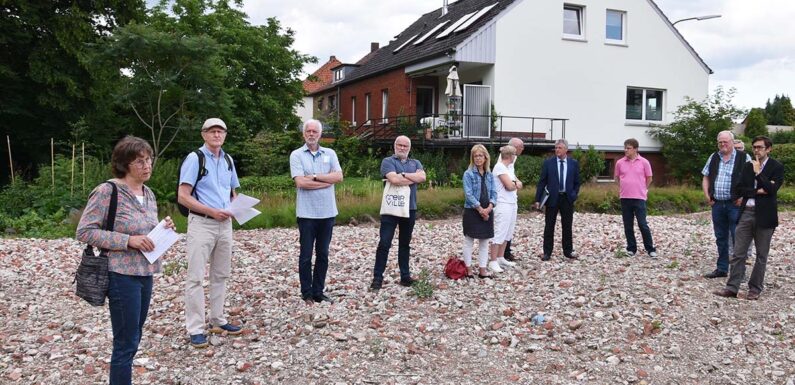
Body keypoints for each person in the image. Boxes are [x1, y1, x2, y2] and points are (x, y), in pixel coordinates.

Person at [77, 136, 175, 385]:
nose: (147, 165)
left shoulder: (148, 193)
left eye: (149, 159)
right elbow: (85, 231)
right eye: (139, 161)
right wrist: (128, 241)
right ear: (124, 164)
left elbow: (145, 230)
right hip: (120, 274)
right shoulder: (107, 191)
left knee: (134, 337)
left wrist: (163, 229)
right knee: (126, 342)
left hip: (146, 272)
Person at [177, 118, 242, 348]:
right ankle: (195, 328)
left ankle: (218, 319)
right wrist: (211, 211)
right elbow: (183, 196)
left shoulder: (228, 160)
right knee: (195, 276)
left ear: (225, 135)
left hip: (225, 224)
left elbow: (231, 191)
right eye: (212, 131)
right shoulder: (195, 158)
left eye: (220, 131)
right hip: (202, 223)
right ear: (203, 134)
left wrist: (236, 208)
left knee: (221, 274)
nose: (217, 135)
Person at [713, 136, 784, 300]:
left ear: (768, 149)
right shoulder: (747, 166)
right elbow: (739, 190)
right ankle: (732, 288)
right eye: (754, 147)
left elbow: (772, 189)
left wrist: (758, 173)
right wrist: (758, 191)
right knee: (738, 252)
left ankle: (755, 288)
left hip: (765, 215)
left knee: (761, 255)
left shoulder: (776, 167)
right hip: (746, 212)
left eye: (760, 147)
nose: (756, 150)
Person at [289, 119, 343, 304]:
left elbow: (339, 176)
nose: (311, 134)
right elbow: (300, 182)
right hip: (306, 214)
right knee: (305, 256)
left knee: (323, 254)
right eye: (308, 131)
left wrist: (313, 176)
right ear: (304, 133)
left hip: (327, 213)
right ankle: (306, 293)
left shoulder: (330, 153)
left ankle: (318, 291)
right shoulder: (296, 155)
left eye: (315, 131)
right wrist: (326, 182)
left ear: (320, 134)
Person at [370, 135, 426, 290]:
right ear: (394, 146)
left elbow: (422, 177)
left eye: (405, 146)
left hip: (410, 208)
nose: (402, 148)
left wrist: (403, 175)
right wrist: (412, 178)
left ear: (409, 148)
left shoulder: (416, 162)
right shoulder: (387, 161)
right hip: (390, 209)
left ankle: (405, 276)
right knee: (384, 243)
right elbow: (394, 180)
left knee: (405, 243)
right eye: (399, 145)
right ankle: (377, 277)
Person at [701, 131, 750, 279]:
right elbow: (706, 176)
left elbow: (752, 180)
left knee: (738, 238)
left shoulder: (744, 157)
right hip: (717, 204)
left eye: (725, 142)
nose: (723, 144)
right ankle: (722, 268)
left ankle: (739, 272)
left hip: (735, 204)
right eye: (720, 142)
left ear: (732, 142)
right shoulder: (714, 157)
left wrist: (744, 196)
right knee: (720, 237)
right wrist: (707, 195)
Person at [534, 139, 581, 261]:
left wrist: (574, 195)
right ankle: (547, 252)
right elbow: (542, 181)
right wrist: (538, 199)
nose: (557, 150)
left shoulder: (573, 163)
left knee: (567, 226)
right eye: (556, 148)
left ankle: (568, 251)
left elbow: (577, 182)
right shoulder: (548, 163)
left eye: (560, 148)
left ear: (566, 149)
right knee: (549, 225)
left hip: (567, 198)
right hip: (552, 198)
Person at [614, 138, 657, 258]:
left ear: (636, 149)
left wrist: (643, 189)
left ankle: (650, 249)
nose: (626, 150)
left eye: (628, 148)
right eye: (625, 148)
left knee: (642, 224)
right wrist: (623, 187)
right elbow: (617, 178)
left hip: (639, 197)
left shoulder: (644, 162)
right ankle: (631, 248)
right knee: (628, 225)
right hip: (625, 197)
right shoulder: (620, 163)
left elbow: (649, 178)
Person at [462, 144, 497, 278]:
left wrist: (489, 208)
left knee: (484, 241)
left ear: (485, 157)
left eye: (480, 155)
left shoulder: (489, 174)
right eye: (475, 156)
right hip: (472, 211)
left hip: (487, 210)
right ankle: (468, 269)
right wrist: (480, 209)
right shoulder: (468, 174)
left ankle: (483, 270)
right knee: (469, 240)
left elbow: (494, 192)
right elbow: (468, 194)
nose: (478, 158)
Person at [488, 145, 520, 273]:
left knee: (508, 231)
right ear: (511, 156)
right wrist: (515, 184)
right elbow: (509, 186)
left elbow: (516, 183)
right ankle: (493, 260)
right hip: (502, 203)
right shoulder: (500, 167)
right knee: (500, 231)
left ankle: (501, 257)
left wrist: (515, 183)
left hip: (512, 202)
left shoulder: (509, 168)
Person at [503, 137, 524, 262]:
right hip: (505, 199)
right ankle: (503, 253)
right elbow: (507, 177)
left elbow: (512, 174)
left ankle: (506, 251)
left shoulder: (513, 159)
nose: (522, 149)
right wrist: (516, 183)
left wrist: (516, 180)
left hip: (512, 198)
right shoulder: (504, 160)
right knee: (504, 228)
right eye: (521, 147)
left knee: (510, 227)